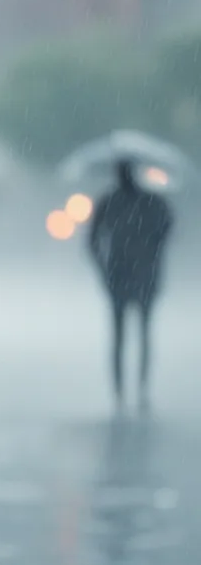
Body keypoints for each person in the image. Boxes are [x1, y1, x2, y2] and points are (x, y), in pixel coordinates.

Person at [88, 158, 174, 409]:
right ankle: (129, 392)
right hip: (130, 275)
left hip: (129, 274)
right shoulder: (148, 202)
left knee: (127, 336)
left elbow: (93, 241)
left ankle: (130, 391)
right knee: (131, 335)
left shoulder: (114, 202)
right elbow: (167, 230)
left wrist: (104, 268)